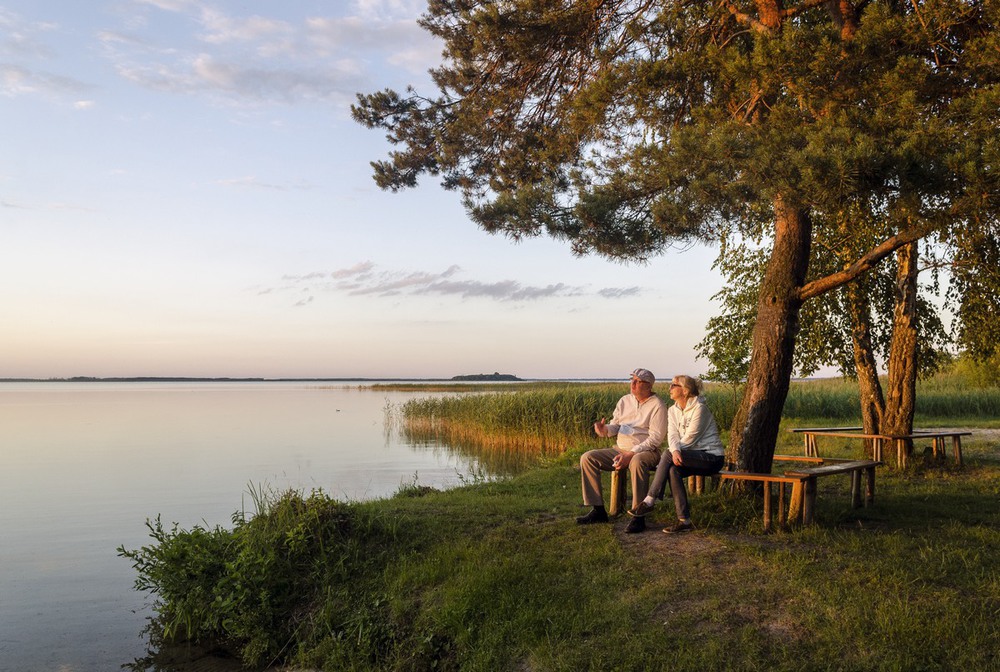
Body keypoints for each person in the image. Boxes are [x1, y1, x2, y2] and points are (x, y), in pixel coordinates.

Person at [629, 375, 724, 534]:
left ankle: (650, 500)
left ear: (685, 391)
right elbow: (672, 435)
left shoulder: (700, 409)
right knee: (673, 470)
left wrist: (674, 451)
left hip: (711, 457)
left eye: (674, 385)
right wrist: (675, 451)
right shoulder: (672, 410)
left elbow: (690, 438)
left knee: (667, 454)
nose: (670, 388)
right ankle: (684, 520)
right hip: (687, 455)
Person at [577, 368, 667, 534]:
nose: (632, 384)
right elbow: (616, 426)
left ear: (648, 386)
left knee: (637, 461)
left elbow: (655, 439)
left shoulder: (658, 406)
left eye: (637, 381)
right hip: (620, 449)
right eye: (632, 379)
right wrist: (604, 430)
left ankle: (638, 515)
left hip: (646, 451)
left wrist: (631, 453)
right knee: (587, 457)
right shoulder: (625, 400)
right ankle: (598, 510)